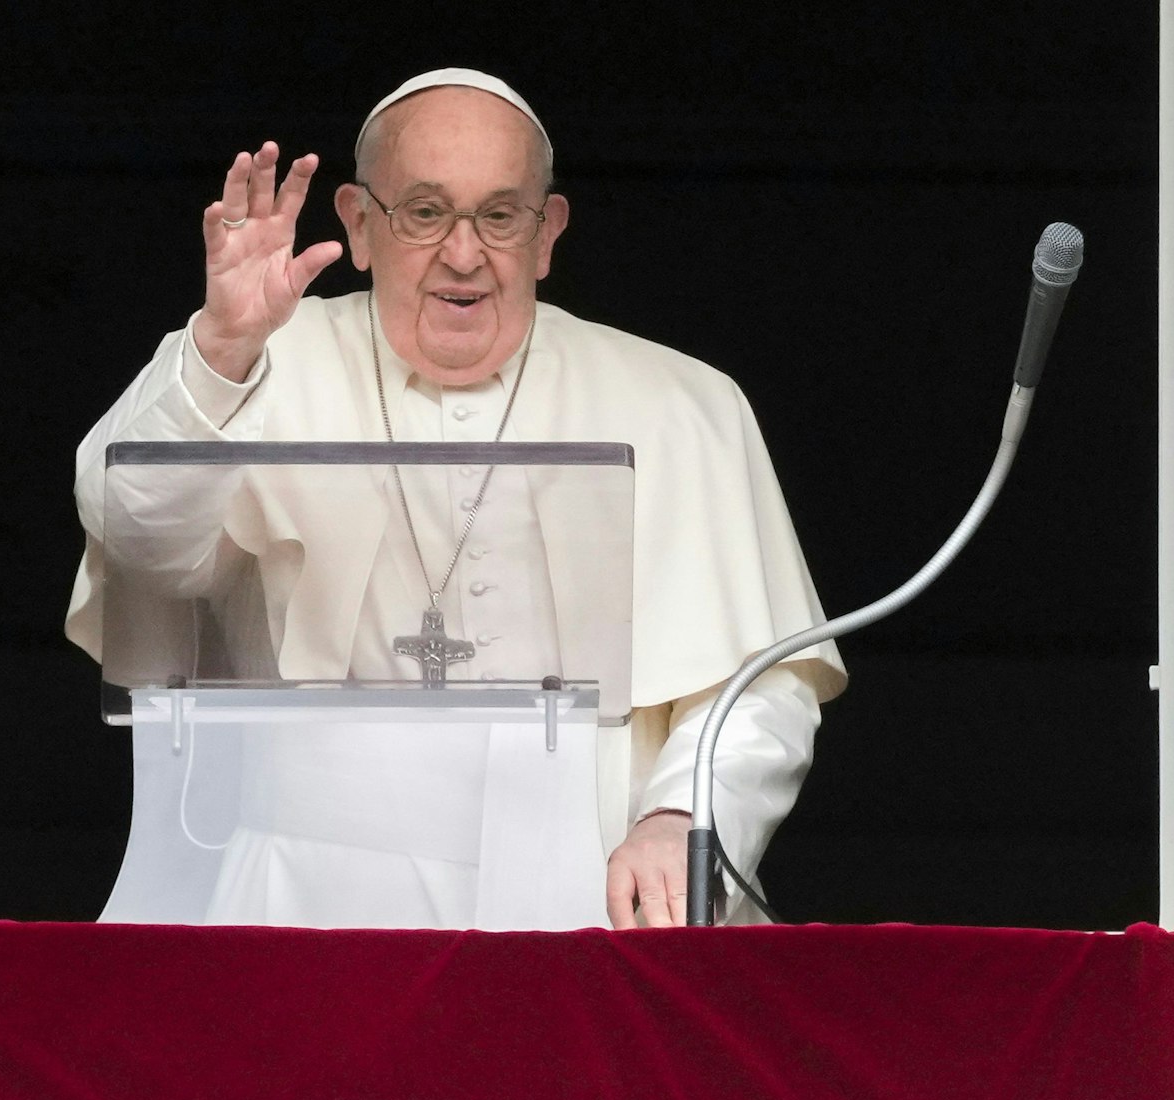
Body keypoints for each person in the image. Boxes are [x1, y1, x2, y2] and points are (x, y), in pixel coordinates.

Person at [68, 69, 845, 928]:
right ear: (360, 225)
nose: (464, 253)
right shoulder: (260, 363)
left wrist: (683, 820)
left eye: (501, 215)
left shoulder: (682, 403)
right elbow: (137, 534)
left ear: (546, 234)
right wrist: (220, 346)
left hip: (584, 889)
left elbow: (760, 687)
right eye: (426, 212)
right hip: (312, 897)